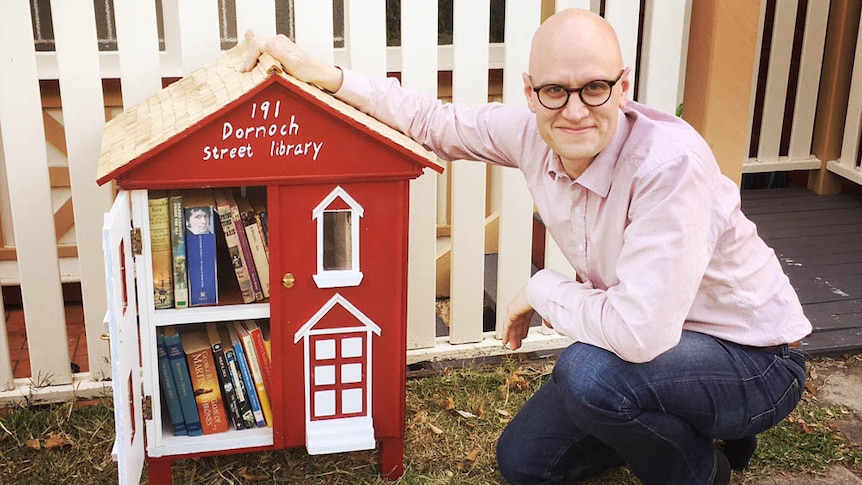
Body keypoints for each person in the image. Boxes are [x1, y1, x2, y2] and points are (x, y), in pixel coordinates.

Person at [243, 8, 811, 485]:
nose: (573, 110)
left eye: (594, 87)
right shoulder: (531, 133)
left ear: (624, 85)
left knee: (589, 374)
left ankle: (703, 468)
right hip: (660, 349)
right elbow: (433, 120)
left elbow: (640, 334)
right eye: (554, 90)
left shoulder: (669, 166)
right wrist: (331, 76)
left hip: (753, 358)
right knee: (526, 463)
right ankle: (696, 428)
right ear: (530, 92)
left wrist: (541, 288)